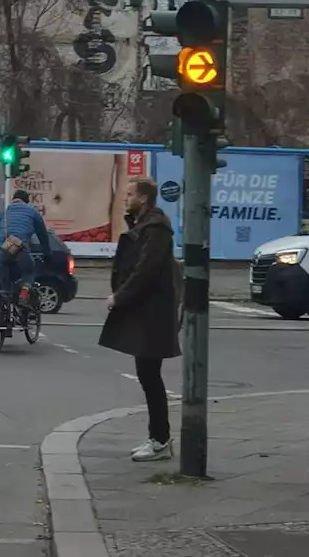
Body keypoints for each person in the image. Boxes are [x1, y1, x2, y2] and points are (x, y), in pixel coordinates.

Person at [101, 177, 182, 462]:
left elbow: (145, 270)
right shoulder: (145, 225)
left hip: (154, 314)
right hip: (148, 313)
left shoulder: (156, 229)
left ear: (144, 198)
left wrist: (118, 297)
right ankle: (158, 438)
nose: (126, 198)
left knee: (150, 377)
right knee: (148, 376)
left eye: (130, 194)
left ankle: (160, 440)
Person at [0, 189, 51, 295]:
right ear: (26, 201)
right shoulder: (32, 212)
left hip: (3, 247)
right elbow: (42, 235)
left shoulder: (4, 212)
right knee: (28, 272)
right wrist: (47, 253)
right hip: (20, 247)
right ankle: (24, 294)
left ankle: (5, 297)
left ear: (13, 200)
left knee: (5, 278)